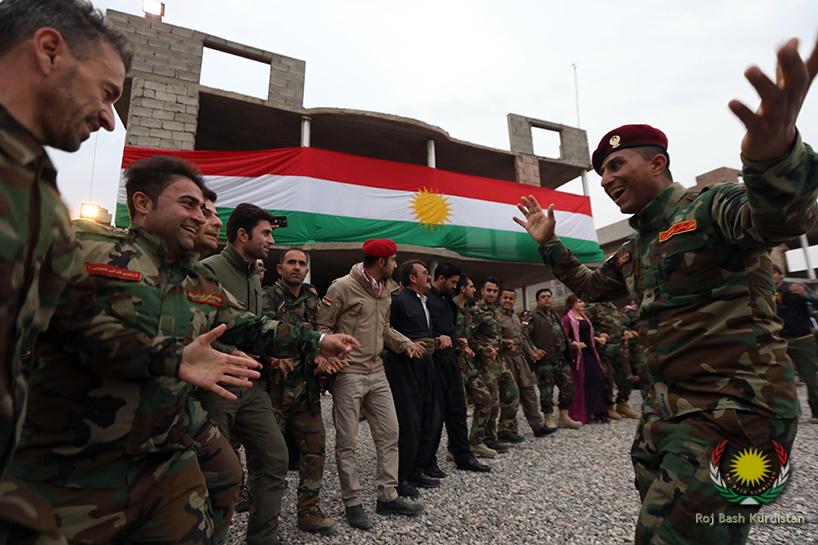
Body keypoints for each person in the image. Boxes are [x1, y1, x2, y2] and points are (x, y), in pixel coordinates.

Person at [514, 35, 818, 544]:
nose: (606, 179)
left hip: (735, 412)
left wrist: (775, 159)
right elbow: (593, 286)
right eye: (601, 172)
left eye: (616, 165)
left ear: (657, 164)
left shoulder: (711, 207)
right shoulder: (638, 247)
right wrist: (549, 244)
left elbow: (779, 219)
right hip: (669, 414)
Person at [11, 155, 358, 544]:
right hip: (75, 450)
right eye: (188, 204)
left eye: (204, 209)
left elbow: (250, 326)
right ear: (143, 203)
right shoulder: (86, 247)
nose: (200, 216)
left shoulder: (199, 282)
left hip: (165, 440)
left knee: (223, 478)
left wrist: (318, 341)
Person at [0, 1, 131, 542]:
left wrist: (174, 357)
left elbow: (74, 317)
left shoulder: (43, 198)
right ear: (50, 51)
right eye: (107, 93)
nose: (109, 119)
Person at [197, 203, 294, 545]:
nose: (271, 240)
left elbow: (253, 328)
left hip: (250, 385)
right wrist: (227, 352)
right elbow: (194, 331)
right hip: (217, 385)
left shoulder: (254, 274)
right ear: (242, 234)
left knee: (274, 456)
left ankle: (262, 539)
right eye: (265, 233)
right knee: (216, 473)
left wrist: (272, 355)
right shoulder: (208, 270)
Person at [317, 239, 424, 530]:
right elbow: (322, 327)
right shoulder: (342, 287)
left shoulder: (386, 290)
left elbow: (384, 328)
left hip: (377, 370)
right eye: (393, 260)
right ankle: (352, 502)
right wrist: (329, 359)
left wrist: (406, 344)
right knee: (347, 441)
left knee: (390, 433)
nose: (396, 265)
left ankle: (387, 496)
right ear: (381, 262)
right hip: (349, 373)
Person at [262, 248, 344, 534]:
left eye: (301, 263)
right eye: (291, 263)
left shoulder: (312, 300)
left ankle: (308, 511)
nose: (297, 267)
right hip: (273, 393)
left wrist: (321, 359)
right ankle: (265, 521)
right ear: (279, 268)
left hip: (305, 391)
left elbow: (317, 339)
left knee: (315, 450)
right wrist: (273, 358)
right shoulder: (266, 298)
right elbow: (256, 337)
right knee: (270, 458)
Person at [384, 260, 442, 496]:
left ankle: (418, 469)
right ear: (412, 278)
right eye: (425, 273)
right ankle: (401, 477)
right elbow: (387, 332)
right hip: (405, 368)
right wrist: (406, 346)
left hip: (427, 365)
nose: (429, 276)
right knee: (409, 422)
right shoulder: (398, 301)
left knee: (429, 417)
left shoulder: (424, 301)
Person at [426, 264, 491, 473]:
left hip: (451, 360)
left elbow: (450, 328)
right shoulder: (426, 299)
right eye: (453, 282)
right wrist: (437, 338)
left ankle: (463, 456)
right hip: (434, 363)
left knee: (458, 410)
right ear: (441, 278)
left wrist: (458, 341)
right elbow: (421, 329)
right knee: (435, 415)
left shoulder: (448, 302)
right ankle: (428, 462)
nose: (455, 286)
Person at [471, 278, 520, 454]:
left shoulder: (496, 311)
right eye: (489, 290)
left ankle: (504, 430)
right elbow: (468, 338)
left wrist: (504, 343)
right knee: (491, 401)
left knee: (512, 393)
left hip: (499, 360)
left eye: (494, 291)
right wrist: (482, 349)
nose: (491, 294)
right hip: (485, 364)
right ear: (482, 291)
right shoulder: (476, 311)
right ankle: (485, 439)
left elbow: (494, 336)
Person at [497, 288, 552, 438]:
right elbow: (491, 338)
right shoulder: (496, 317)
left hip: (520, 358)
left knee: (529, 391)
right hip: (505, 359)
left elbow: (522, 338)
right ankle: (507, 430)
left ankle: (537, 426)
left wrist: (532, 352)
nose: (508, 301)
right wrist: (503, 343)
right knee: (510, 394)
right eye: (505, 298)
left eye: (511, 298)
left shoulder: (516, 317)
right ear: (500, 299)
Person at [453, 274, 496, 458]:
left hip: (469, 365)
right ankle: (455, 448)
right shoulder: (450, 308)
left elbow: (470, 339)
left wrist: (481, 349)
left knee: (485, 399)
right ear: (463, 289)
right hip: (454, 365)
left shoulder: (467, 310)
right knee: (459, 408)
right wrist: (459, 346)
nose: (474, 290)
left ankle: (476, 442)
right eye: (471, 286)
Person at [528, 288, 581, 429]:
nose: (547, 299)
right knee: (547, 391)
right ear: (538, 301)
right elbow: (525, 336)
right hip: (545, 361)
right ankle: (548, 418)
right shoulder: (532, 316)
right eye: (543, 297)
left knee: (569, 388)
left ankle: (564, 417)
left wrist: (571, 344)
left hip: (561, 359)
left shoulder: (555, 315)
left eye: (549, 296)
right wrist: (533, 350)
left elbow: (561, 335)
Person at [773, 264, 818, 423]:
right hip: (778, 341)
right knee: (782, 379)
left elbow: (816, 302)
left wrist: (805, 295)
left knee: (811, 377)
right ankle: (790, 413)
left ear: (780, 274)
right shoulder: (763, 292)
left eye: (773, 272)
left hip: (802, 340)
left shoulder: (796, 288)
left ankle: (816, 411)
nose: (771, 276)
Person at [562, 296, 609, 423]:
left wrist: (597, 339)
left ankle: (599, 410)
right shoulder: (567, 319)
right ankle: (584, 412)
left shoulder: (585, 317)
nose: (582, 303)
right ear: (572, 304)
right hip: (578, 355)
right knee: (583, 382)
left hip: (590, 352)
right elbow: (563, 337)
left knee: (597, 378)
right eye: (579, 301)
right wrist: (573, 344)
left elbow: (588, 335)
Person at [586, 301, 634, 419]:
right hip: (604, 349)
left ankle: (622, 403)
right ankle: (609, 407)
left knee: (627, 377)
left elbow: (620, 324)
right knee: (607, 379)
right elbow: (585, 326)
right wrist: (598, 335)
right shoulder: (593, 307)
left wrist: (625, 331)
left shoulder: (613, 307)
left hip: (619, 348)